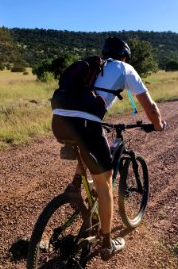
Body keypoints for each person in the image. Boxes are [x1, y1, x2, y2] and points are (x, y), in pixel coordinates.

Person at [51, 36, 166, 261]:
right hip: (85, 124)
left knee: (88, 146)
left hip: (58, 121)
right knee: (106, 184)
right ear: (124, 56)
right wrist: (158, 123)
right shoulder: (125, 68)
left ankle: (74, 189)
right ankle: (106, 242)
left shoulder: (92, 66)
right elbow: (149, 106)